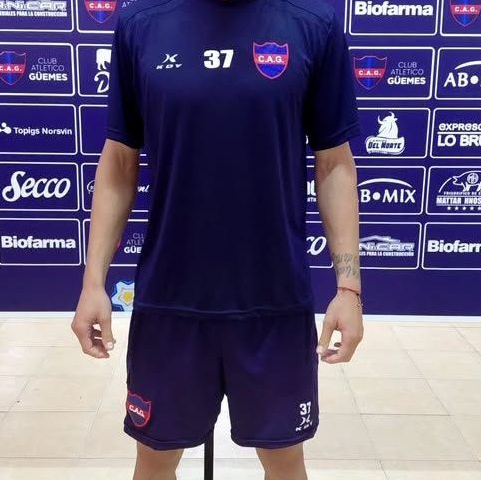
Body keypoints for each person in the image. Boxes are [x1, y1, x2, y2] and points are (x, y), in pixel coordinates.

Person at [71, 0, 364, 477]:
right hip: (170, 303)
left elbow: (334, 163)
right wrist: (92, 283)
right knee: (154, 461)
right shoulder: (142, 22)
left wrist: (349, 289)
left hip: (274, 303)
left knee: (285, 462)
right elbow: (120, 160)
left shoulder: (311, 22)